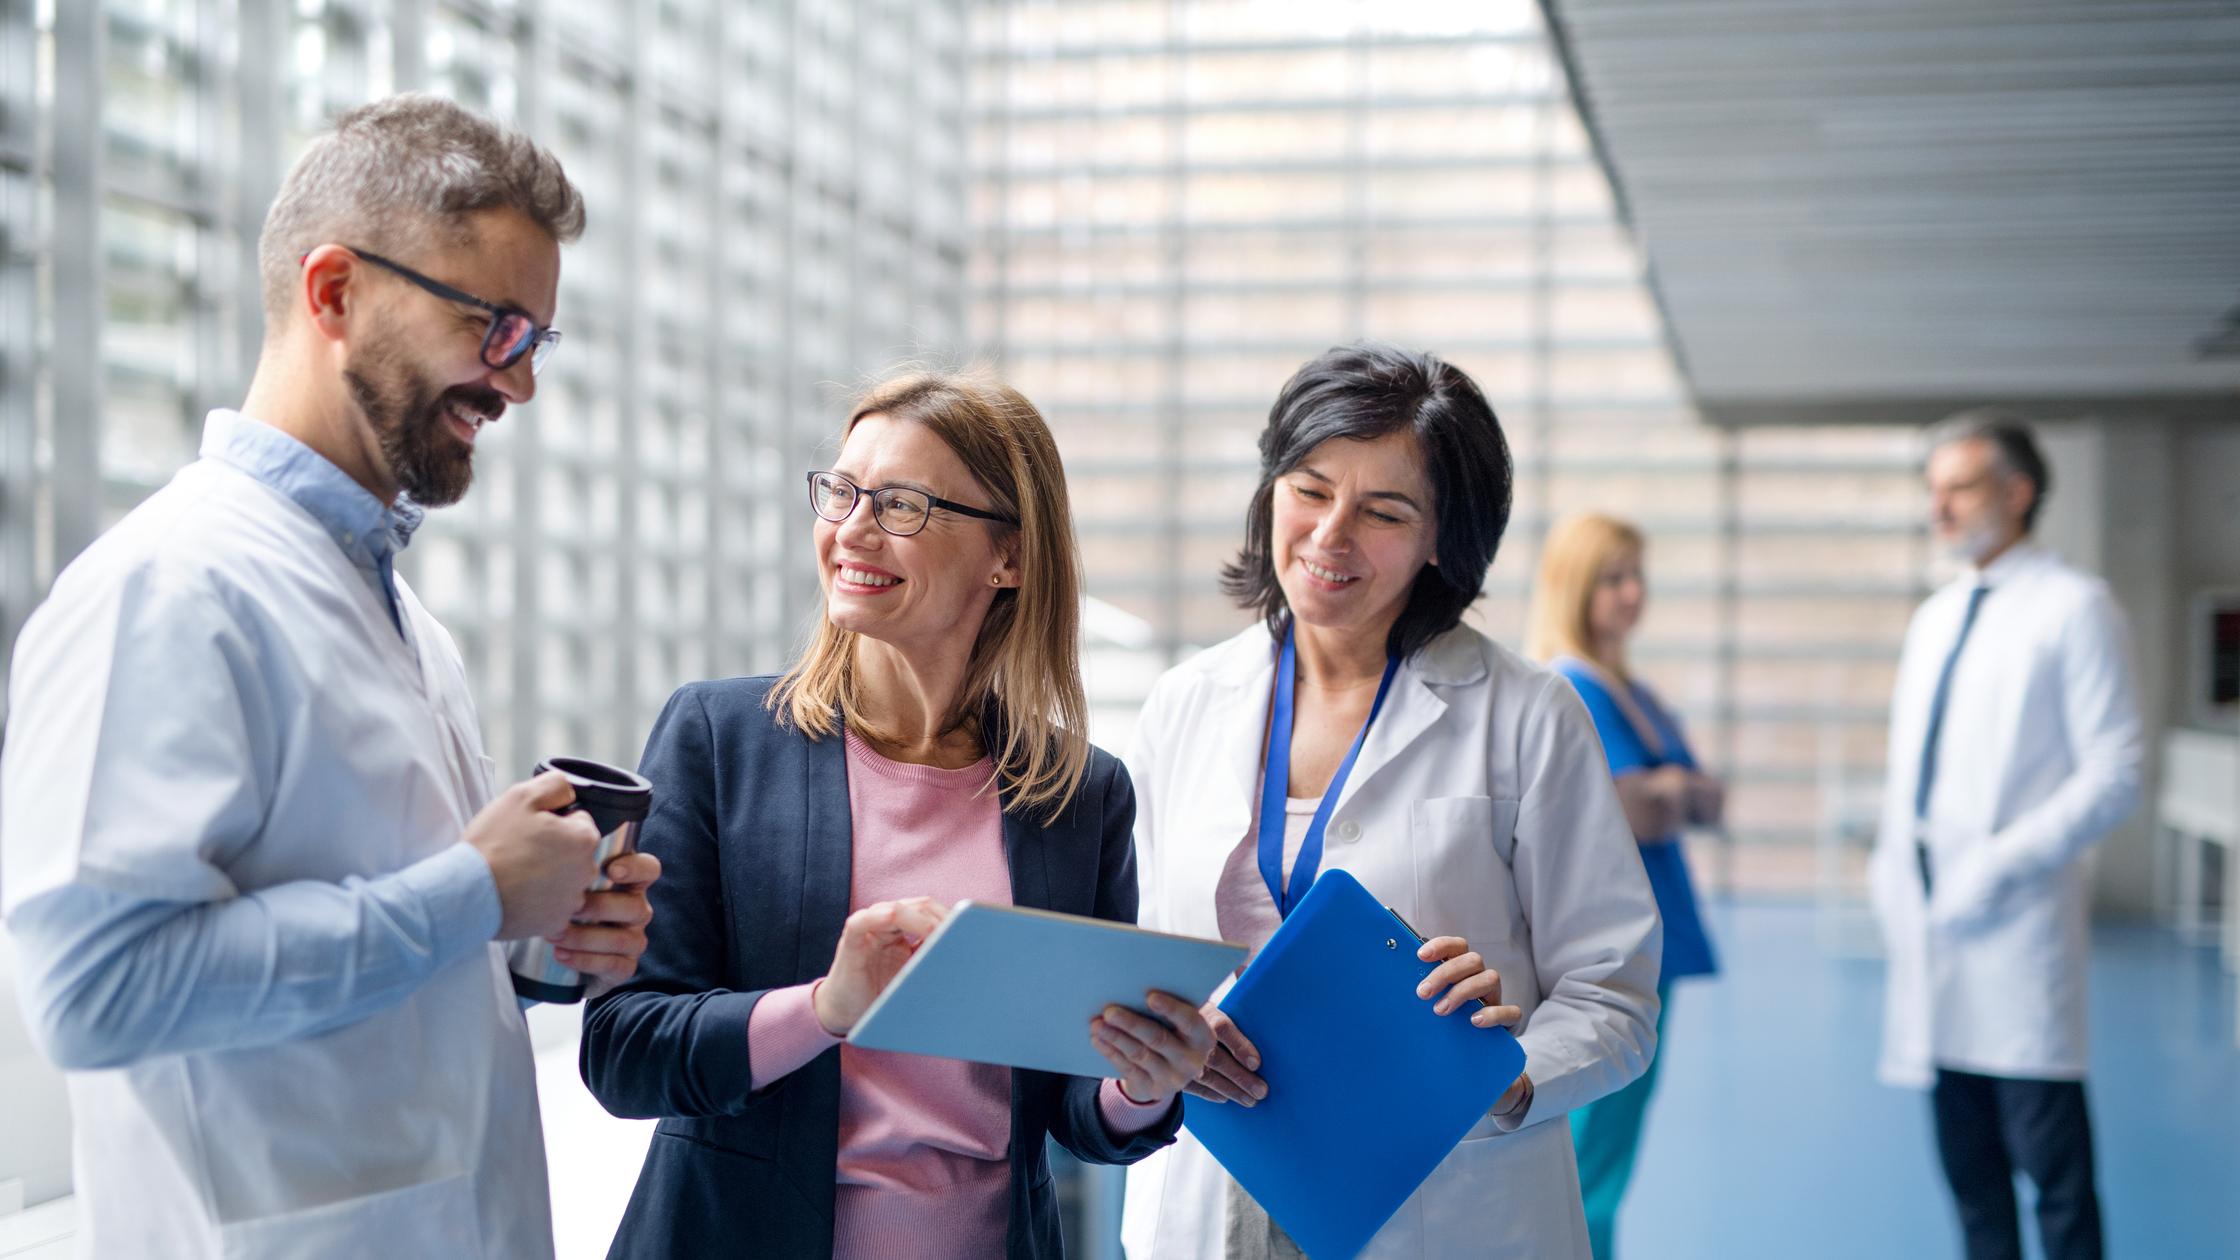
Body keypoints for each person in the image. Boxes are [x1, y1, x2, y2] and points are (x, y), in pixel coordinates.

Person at [0, 95, 662, 1258]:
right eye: (495, 327)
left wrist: (536, 940)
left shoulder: (405, 617)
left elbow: (396, 931)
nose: (518, 385)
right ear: (334, 292)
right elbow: (95, 994)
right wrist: (471, 895)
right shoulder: (164, 589)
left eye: (536, 342)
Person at [579, 370, 1217, 1259]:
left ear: (1011, 558)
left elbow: (1074, 1109)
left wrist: (1140, 1083)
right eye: (841, 491)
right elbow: (625, 1052)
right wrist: (826, 1007)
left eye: (903, 504)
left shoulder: (1081, 793)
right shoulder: (718, 739)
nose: (850, 529)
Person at [1119, 343, 1663, 1260]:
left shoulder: (1527, 715)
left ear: (1442, 539)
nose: (1331, 534)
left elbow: (1616, 993)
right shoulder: (1187, 703)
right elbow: (1132, 950)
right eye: (1309, 488)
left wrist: (1509, 1076)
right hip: (1212, 1190)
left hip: (1442, 1200)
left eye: (1383, 511)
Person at [1869, 411, 2142, 1260]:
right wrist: (1888, 872)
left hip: (2017, 933)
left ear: (2019, 493)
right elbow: (1913, 769)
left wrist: (1999, 864)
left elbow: (2117, 769)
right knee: (1971, 1181)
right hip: (1931, 935)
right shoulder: (1937, 617)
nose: (1939, 508)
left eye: (1960, 488)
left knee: (2054, 1181)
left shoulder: (2074, 608)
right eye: (1932, 491)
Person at [1524, 511, 1721, 1260]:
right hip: (1604, 948)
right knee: (1590, 1157)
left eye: (1637, 576)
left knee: (1612, 1144)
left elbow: (1704, 798)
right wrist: (1667, 791)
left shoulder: (1631, 688)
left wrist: (1667, 791)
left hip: (1652, 941)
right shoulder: (1571, 688)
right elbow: (1629, 812)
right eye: (1613, 578)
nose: (1631, 593)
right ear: (1575, 587)